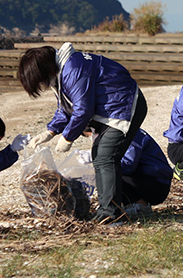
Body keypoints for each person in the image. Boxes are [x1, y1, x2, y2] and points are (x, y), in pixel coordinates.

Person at [17, 43, 147, 225]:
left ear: (44, 70)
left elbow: (83, 109)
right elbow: (66, 108)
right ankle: (109, 209)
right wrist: (50, 131)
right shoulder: (63, 72)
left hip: (123, 106)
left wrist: (68, 137)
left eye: (39, 82)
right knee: (100, 156)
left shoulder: (73, 69)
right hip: (111, 110)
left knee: (105, 157)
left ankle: (111, 213)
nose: (41, 86)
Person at [119, 128, 173, 218]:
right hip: (153, 179)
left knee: (111, 170)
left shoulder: (130, 134)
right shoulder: (130, 131)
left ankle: (140, 206)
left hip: (157, 184)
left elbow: (128, 165)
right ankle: (131, 204)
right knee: (109, 168)